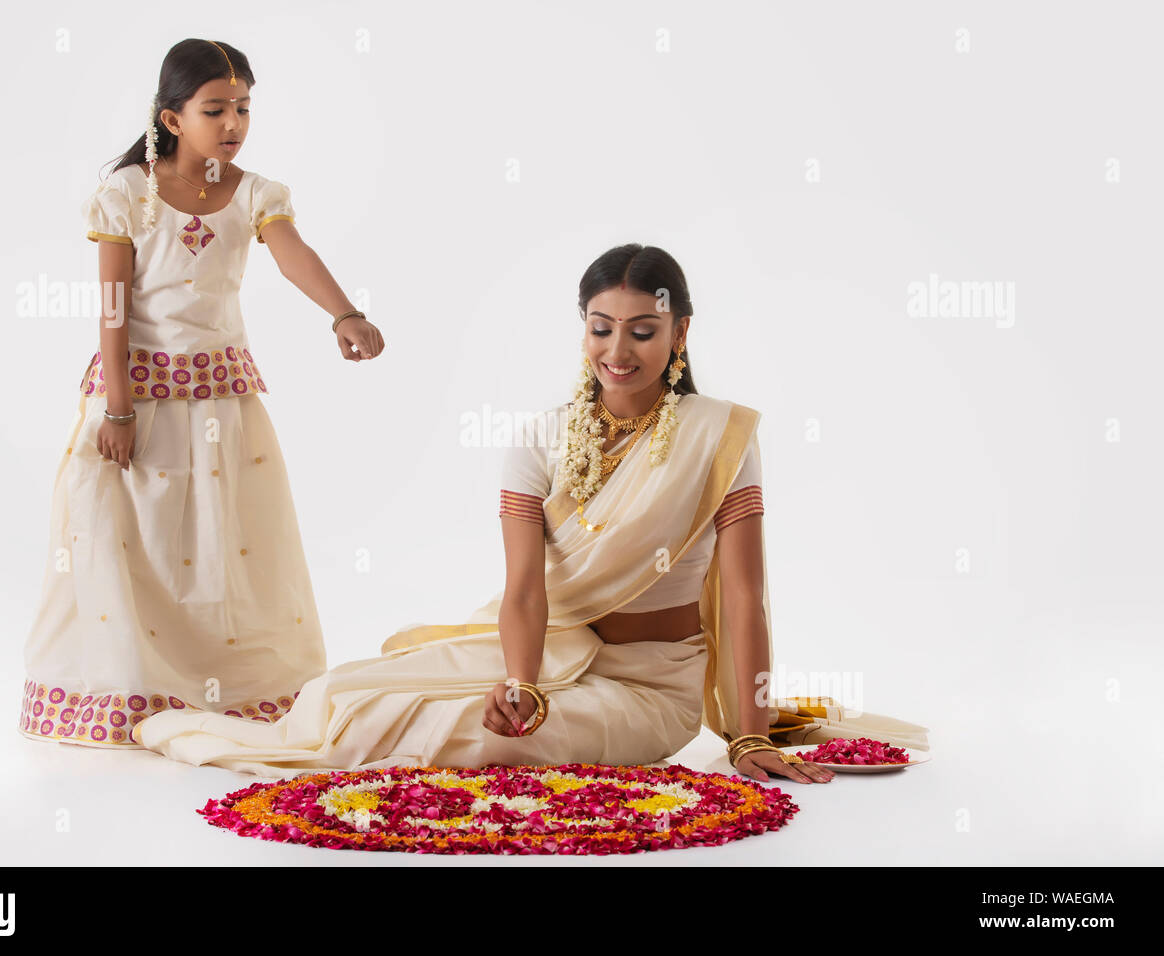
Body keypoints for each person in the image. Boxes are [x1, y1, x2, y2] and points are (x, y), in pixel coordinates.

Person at [133, 244, 929, 780]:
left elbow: (748, 595)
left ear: (680, 332)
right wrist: (521, 685)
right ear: (582, 327)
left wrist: (749, 731)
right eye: (601, 328)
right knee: (336, 700)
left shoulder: (720, 436)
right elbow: (523, 590)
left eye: (643, 332)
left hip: (653, 689)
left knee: (455, 739)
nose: (619, 351)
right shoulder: (541, 438)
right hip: (546, 651)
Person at [19, 39, 385, 748]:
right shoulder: (127, 193)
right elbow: (115, 309)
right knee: (128, 544)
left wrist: (345, 313)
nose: (233, 123)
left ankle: (233, 692)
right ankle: (127, 693)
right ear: (173, 118)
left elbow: (293, 256)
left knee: (226, 549)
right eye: (214, 108)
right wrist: (118, 407)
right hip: (136, 397)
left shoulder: (254, 194)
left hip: (222, 403)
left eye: (243, 107)